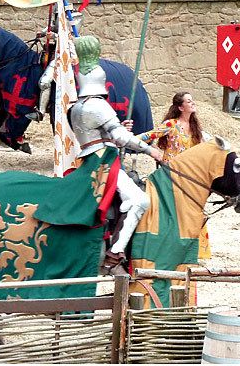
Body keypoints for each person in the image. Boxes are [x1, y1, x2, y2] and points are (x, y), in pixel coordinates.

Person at [68, 35, 164, 276]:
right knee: (140, 201)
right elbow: (120, 139)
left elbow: (102, 135)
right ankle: (115, 253)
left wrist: (122, 130)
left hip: (89, 158)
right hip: (104, 162)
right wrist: (150, 149)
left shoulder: (75, 108)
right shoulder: (97, 105)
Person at [139, 91, 214, 258]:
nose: (192, 103)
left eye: (192, 100)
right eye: (189, 101)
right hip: (170, 175)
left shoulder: (196, 128)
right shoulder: (170, 125)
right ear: (181, 107)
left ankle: (196, 250)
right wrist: (129, 139)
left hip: (190, 176)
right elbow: (147, 136)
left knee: (195, 210)